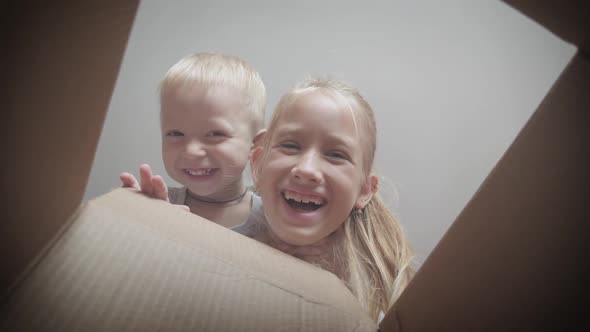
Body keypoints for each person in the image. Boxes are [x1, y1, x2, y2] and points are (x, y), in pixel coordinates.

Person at [244, 76, 416, 320]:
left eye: (336, 154)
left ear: (365, 190)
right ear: (258, 165)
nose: (307, 169)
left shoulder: (380, 301)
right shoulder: (221, 229)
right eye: (291, 146)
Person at [120, 52, 266, 228]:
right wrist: (135, 216)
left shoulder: (273, 221)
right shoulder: (160, 203)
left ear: (255, 144)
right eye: (176, 133)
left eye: (215, 134)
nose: (191, 151)